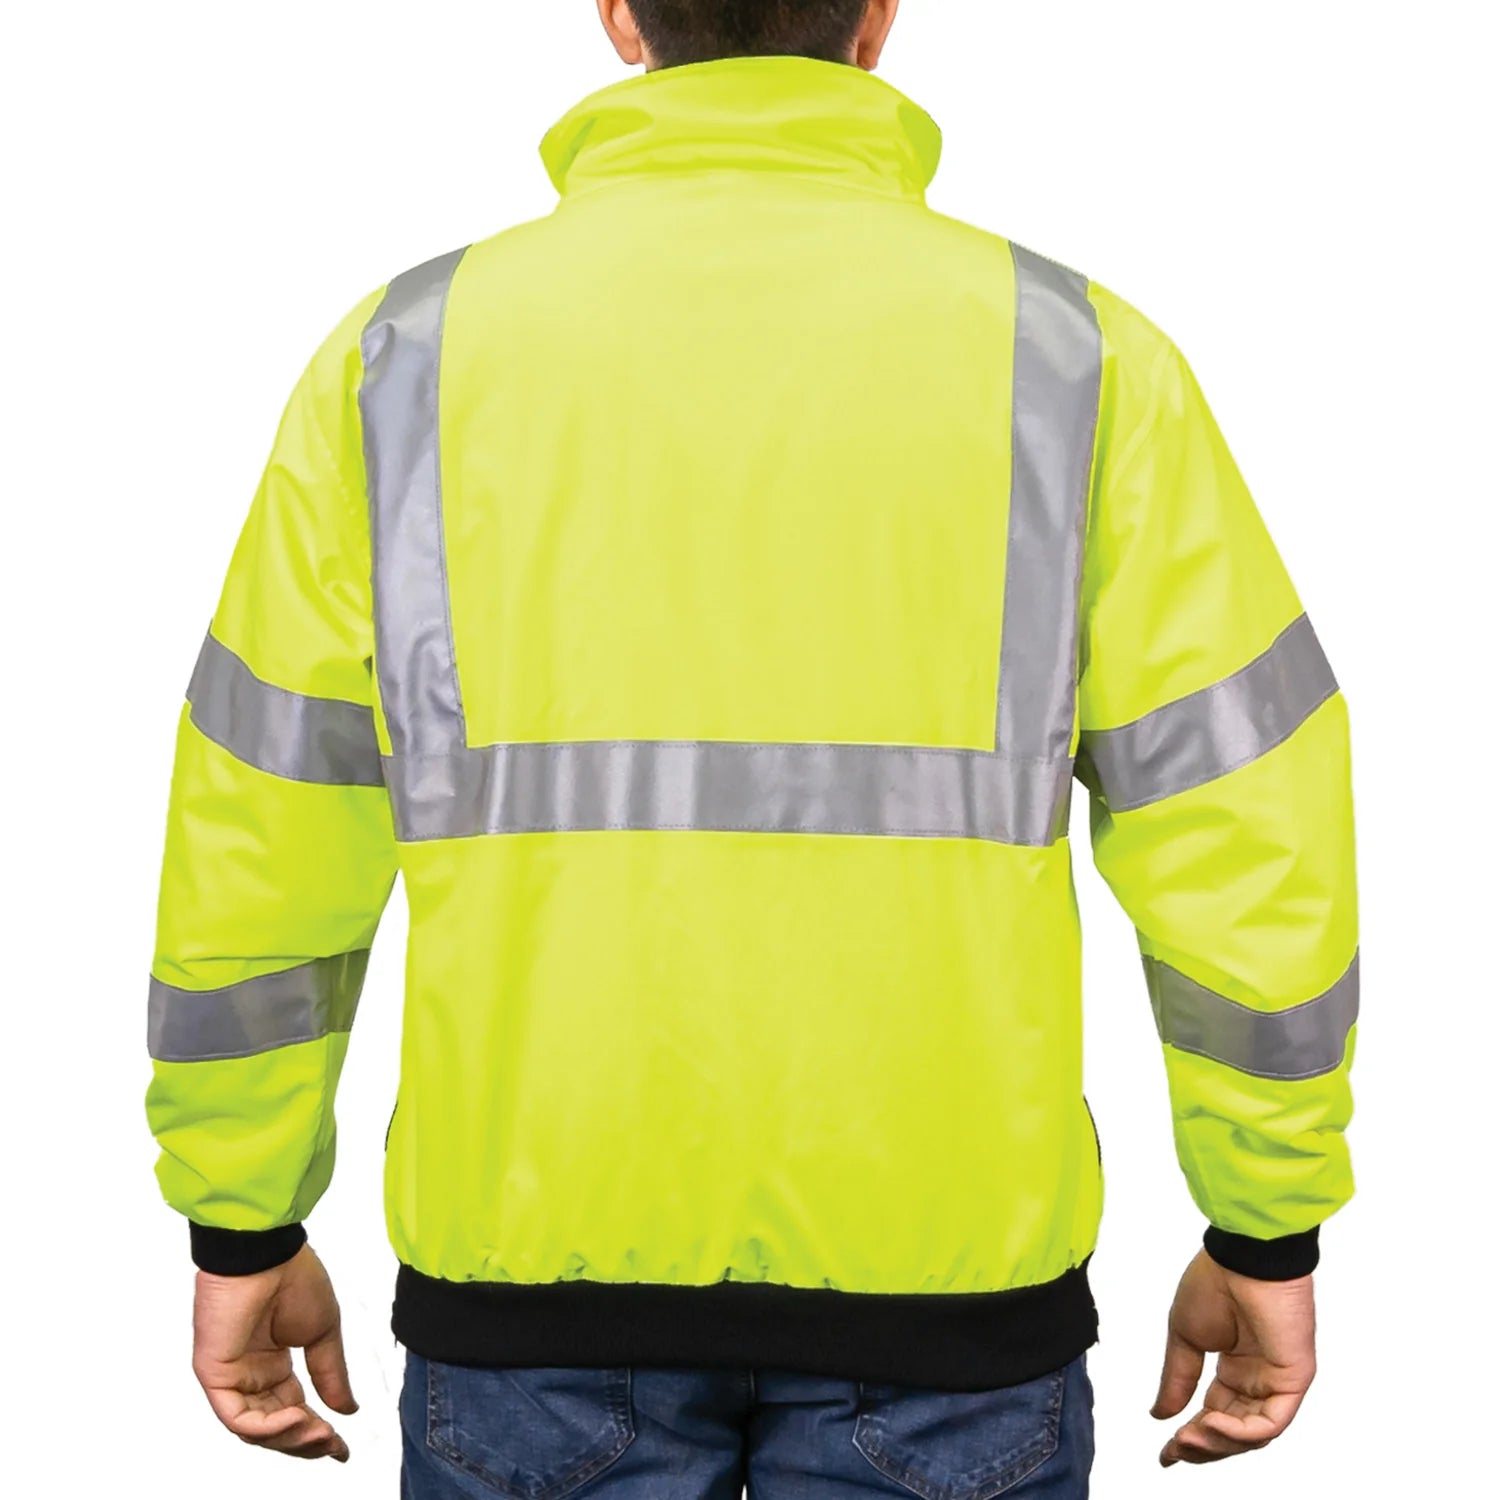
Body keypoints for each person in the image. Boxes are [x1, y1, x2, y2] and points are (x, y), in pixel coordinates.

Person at [144, 2, 1358, 1493]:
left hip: (529, 1290)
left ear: (618, 16)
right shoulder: (1078, 360)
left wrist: (242, 1217)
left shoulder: (403, 359)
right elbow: (1247, 829)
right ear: (879, 18)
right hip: (951, 1292)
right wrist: (1265, 1223)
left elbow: (261, 832)